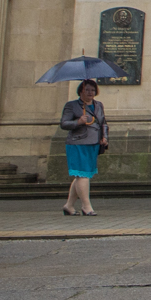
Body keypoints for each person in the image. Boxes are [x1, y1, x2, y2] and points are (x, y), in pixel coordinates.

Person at [59, 80, 106, 216]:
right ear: (81, 91)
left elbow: (103, 123)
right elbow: (64, 123)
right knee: (83, 174)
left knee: (83, 175)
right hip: (77, 143)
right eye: (87, 90)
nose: (90, 93)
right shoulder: (72, 106)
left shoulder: (98, 105)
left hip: (93, 143)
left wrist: (105, 137)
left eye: (92, 90)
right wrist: (78, 122)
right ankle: (87, 206)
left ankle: (69, 205)